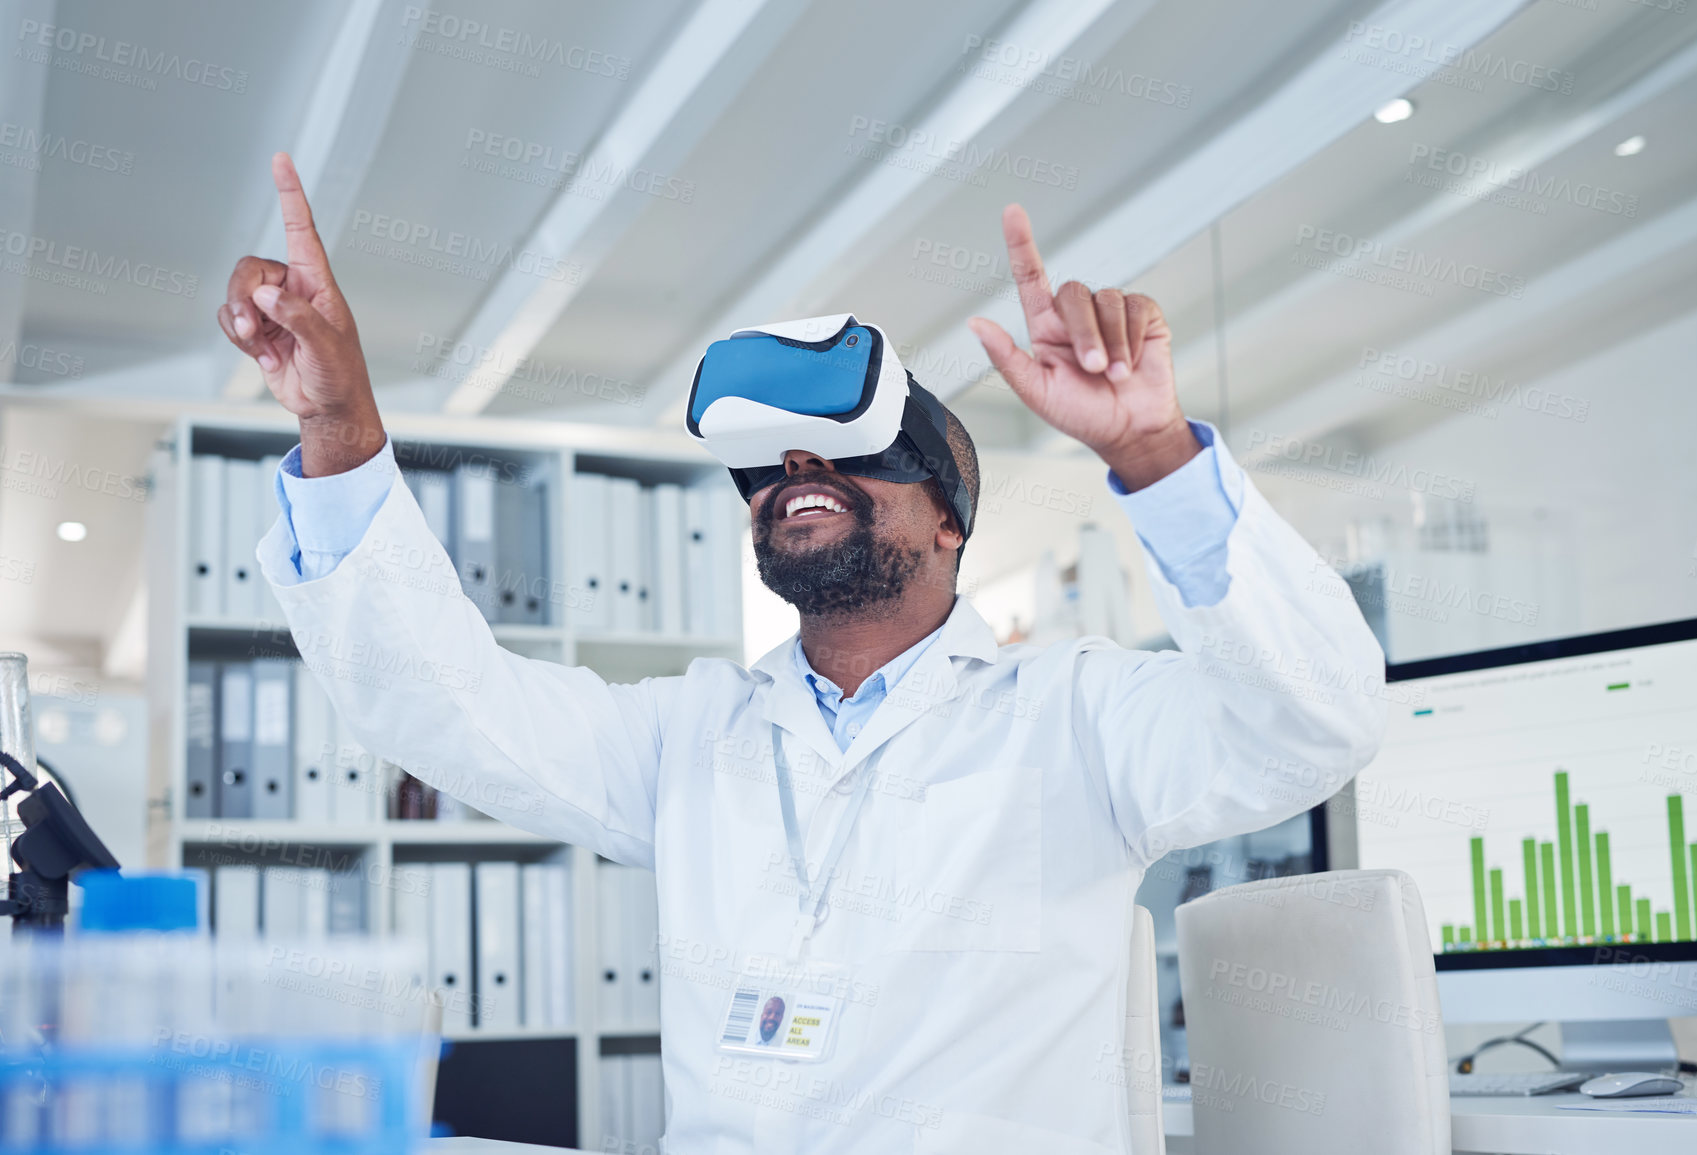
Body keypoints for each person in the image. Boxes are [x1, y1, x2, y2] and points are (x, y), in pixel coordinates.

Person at [219, 152, 1386, 1154]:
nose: (796, 475)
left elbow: (1313, 725)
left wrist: (1157, 455)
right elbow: (441, 708)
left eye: (844, 455)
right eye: (772, 464)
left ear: (948, 517)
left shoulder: (1074, 713)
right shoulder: (689, 732)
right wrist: (340, 429)